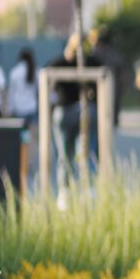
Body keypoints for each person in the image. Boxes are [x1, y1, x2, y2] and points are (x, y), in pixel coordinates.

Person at [47, 35, 102, 183]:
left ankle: (66, 189)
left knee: (65, 154)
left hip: (65, 109)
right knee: (86, 151)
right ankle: (87, 186)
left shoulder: (58, 63)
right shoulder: (89, 61)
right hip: (80, 108)